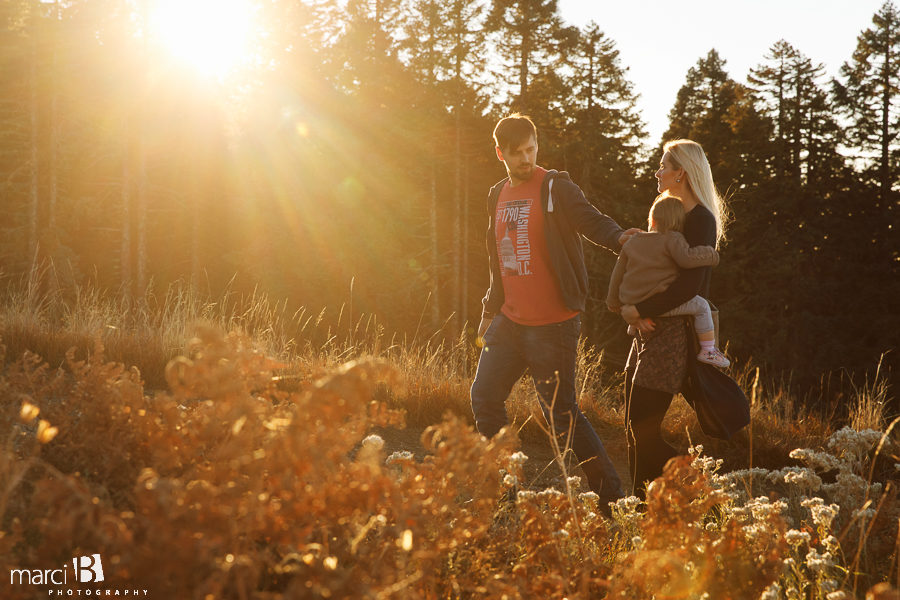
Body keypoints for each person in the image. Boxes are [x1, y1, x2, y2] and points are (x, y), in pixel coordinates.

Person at [470, 114, 638, 511]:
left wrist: (619, 238)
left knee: (561, 415)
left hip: (553, 326)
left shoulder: (554, 186)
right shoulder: (496, 195)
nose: (526, 158)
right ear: (501, 153)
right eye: (517, 153)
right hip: (508, 321)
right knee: (484, 399)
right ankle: (507, 491)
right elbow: (497, 259)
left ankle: (611, 499)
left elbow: (589, 220)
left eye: (531, 149)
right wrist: (489, 309)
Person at [618, 139, 732, 497]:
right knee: (633, 428)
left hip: (673, 336)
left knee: (644, 430)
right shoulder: (669, 214)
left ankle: (706, 495)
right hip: (646, 334)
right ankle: (638, 511)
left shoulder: (700, 220)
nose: (658, 171)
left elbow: (689, 286)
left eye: (664, 166)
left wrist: (639, 309)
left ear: (681, 172)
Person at [606, 193, 730, 368]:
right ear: (679, 222)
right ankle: (708, 350)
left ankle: (634, 325)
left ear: (653, 220)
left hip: (632, 300)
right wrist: (711, 255)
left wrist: (613, 302)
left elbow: (617, 274)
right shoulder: (673, 238)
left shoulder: (633, 241)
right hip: (657, 302)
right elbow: (686, 259)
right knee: (702, 306)